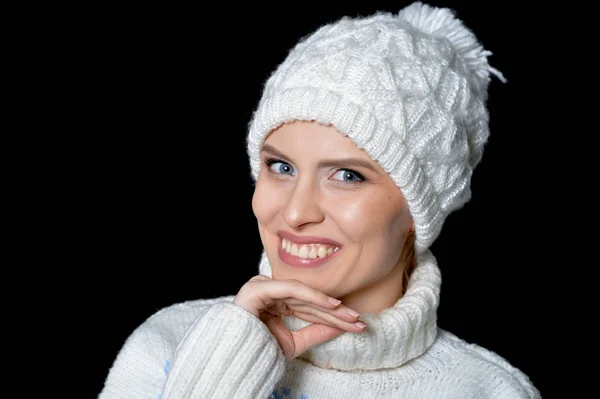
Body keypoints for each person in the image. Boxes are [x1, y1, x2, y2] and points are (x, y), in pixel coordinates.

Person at [99, 2, 541, 398]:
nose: (295, 212)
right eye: (281, 167)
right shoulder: (168, 342)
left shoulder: (485, 391)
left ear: (417, 209)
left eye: (347, 176)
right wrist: (226, 367)